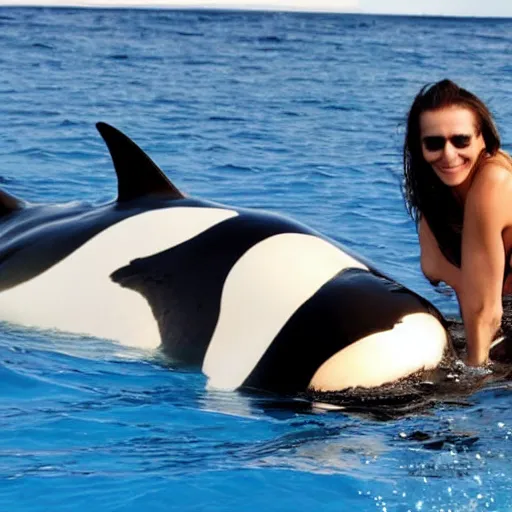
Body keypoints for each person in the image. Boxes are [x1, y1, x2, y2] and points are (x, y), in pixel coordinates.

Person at [402, 79, 512, 366]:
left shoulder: (494, 180)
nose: (448, 155)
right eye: (434, 143)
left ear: (483, 139)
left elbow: (485, 308)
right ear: (420, 147)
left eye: (460, 140)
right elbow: (438, 269)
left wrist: (475, 376)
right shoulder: (436, 197)